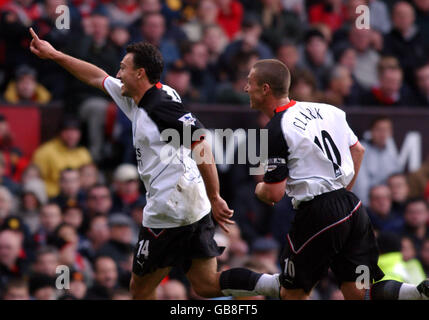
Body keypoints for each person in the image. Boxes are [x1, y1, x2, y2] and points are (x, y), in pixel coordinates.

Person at [29, 28, 280, 300]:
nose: (118, 73)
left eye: (123, 68)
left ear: (140, 73)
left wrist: (216, 195)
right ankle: (275, 285)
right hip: (192, 205)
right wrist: (54, 54)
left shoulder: (158, 106)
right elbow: (96, 76)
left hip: (169, 209)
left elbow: (202, 143)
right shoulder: (140, 95)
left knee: (140, 290)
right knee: (206, 284)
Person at [244, 58, 429, 300]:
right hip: (351, 206)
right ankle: (417, 292)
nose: (246, 88)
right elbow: (358, 150)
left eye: (250, 83)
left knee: (292, 292)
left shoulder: (277, 128)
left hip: (317, 211)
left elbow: (273, 194)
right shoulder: (328, 110)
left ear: (265, 88)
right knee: (357, 291)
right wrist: (342, 189)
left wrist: (258, 188)